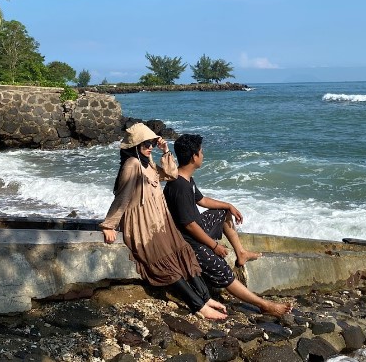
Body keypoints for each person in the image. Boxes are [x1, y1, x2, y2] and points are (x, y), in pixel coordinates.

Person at [99, 123, 227, 320]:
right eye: (146, 144)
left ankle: (205, 297)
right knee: (166, 264)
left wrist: (165, 150)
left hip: (160, 220)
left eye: (151, 143)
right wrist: (110, 225)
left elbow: (170, 174)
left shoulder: (147, 162)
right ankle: (198, 306)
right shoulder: (132, 165)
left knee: (182, 253)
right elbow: (123, 196)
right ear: (135, 146)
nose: (150, 147)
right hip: (143, 224)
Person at [164, 133, 293, 317]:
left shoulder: (185, 179)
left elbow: (202, 200)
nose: (203, 154)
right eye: (201, 151)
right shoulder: (179, 186)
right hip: (189, 243)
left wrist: (228, 206)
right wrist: (214, 245)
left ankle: (240, 253)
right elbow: (189, 225)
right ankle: (263, 304)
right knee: (222, 269)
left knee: (222, 213)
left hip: (196, 231)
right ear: (194, 157)